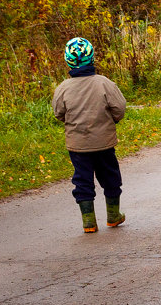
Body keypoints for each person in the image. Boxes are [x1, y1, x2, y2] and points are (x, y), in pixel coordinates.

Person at [52, 37, 127, 233]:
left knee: (82, 180)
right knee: (110, 176)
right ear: (92, 58)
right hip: (104, 143)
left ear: (67, 60)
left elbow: (59, 113)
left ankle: (88, 222)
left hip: (78, 146)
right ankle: (113, 215)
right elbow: (119, 108)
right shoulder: (104, 84)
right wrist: (113, 120)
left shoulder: (63, 88)